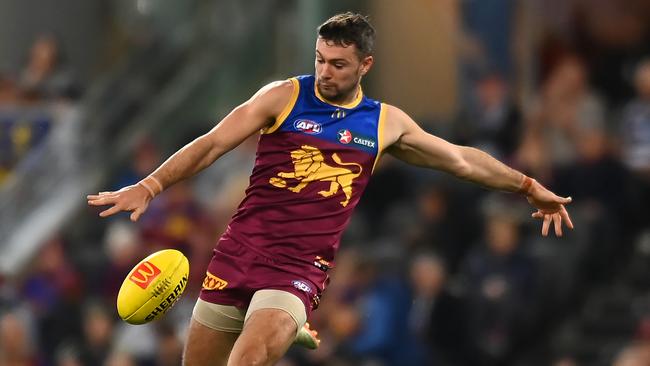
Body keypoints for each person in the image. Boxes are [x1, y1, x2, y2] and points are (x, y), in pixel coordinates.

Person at [87, 12, 574, 366]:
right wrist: (151, 185)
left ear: (365, 64)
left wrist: (527, 185)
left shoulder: (384, 124)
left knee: (247, 359)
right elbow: (213, 143)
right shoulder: (284, 96)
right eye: (320, 60)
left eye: (338, 64)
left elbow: (461, 159)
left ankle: (285, 316)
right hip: (238, 253)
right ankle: (286, 324)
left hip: (297, 269)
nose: (324, 72)